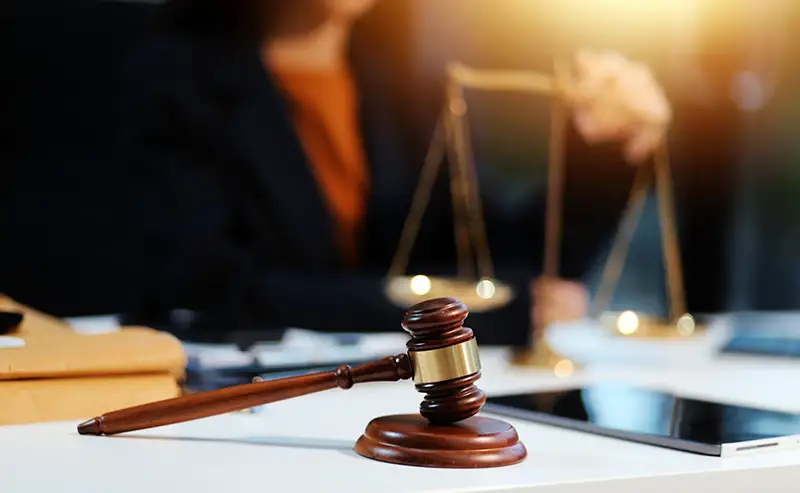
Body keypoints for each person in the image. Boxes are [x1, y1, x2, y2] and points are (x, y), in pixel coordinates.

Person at [118, 0, 671, 345]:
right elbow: (207, 288)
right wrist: (470, 315)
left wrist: (606, 149)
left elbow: (512, 262)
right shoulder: (170, 78)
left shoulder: (405, 93)